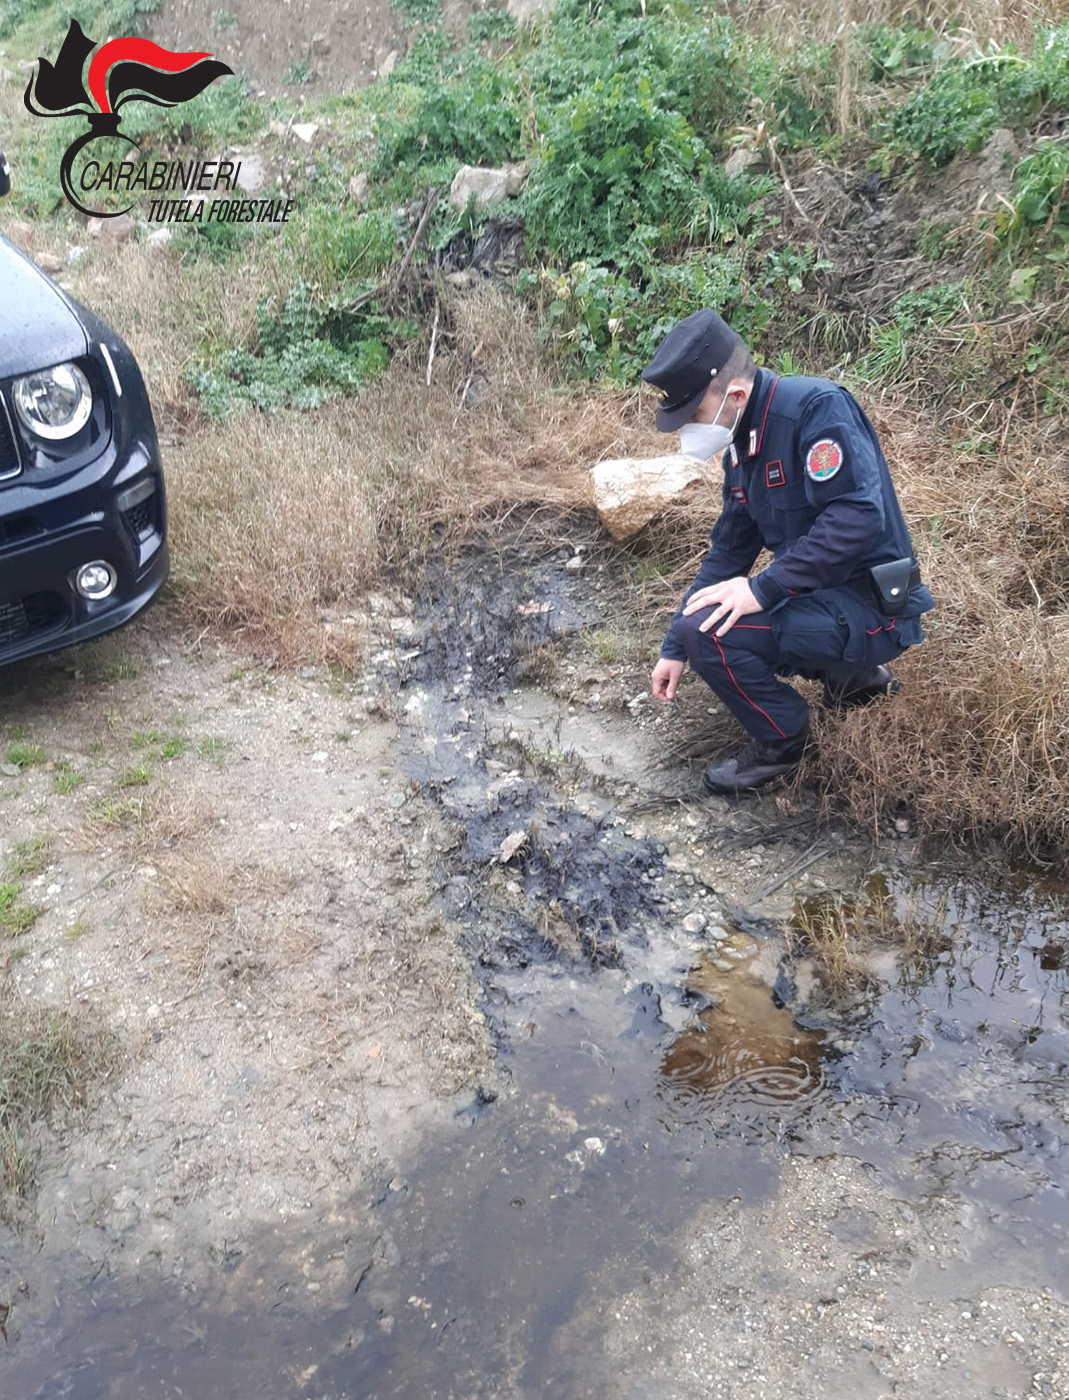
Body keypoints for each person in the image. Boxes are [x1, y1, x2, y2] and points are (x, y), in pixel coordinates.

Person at [642, 308, 934, 795]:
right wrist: (675, 646)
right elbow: (728, 552)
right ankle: (852, 677)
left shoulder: (816, 410)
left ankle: (783, 741)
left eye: (693, 416)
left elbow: (858, 518)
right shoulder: (742, 444)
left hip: (874, 608)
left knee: (709, 631)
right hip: (823, 599)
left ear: (735, 395)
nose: (688, 430)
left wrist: (763, 589)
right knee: (695, 626)